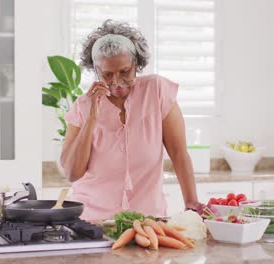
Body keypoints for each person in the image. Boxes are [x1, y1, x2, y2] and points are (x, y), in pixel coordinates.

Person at [61, 20, 201, 221]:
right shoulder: (82, 106)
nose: (116, 81)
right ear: (96, 70)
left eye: (125, 71)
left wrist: (191, 201)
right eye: (107, 74)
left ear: (137, 64)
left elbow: (179, 153)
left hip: (148, 219)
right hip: (94, 220)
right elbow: (72, 173)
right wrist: (92, 116)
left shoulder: (157, 91)